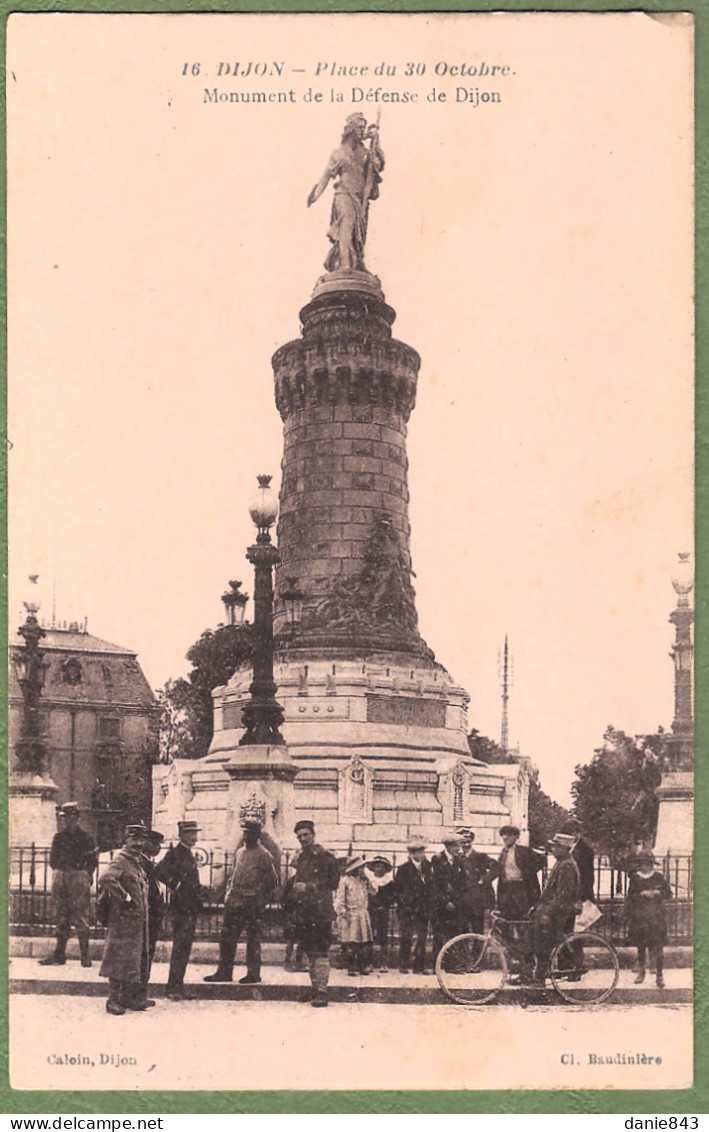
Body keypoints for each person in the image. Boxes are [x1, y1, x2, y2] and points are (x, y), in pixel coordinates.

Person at [307, 113, 384, 273]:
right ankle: (345, 265)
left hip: (360, 199)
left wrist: (377, 142)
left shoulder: (366, 154)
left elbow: (380, 164)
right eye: (359, 127)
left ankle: (355, 263)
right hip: (343, 195)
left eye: (364, 128)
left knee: (358, 237)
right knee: (346, 228)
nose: (362, 131)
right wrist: (315, 194)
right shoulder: (338, 152)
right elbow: (325, 177)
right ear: (350, 129)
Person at [204, 819, 278, 986]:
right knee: (227, 939)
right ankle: (224, 972)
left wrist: (260, 901)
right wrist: (228, 896)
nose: (246, 836)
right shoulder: (240, 852)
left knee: (253, 940)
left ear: (257, 835)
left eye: (250, 833)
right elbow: (233, 877)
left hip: (252, 904)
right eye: (245, 832)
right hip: (234, 902)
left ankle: (253, 973)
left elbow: (272, 882)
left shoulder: (264, 855)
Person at [98, 824, 152, 1015]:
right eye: (134, 839)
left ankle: (128, 998)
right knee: (118, 958)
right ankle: (112, 1000)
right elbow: (106, 879)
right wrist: (126, 897)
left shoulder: (136, 861)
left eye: (141, 839)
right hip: (123, 921)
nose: (138, 843)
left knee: (133, 960)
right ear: (126, 840)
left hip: (137, 922)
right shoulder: (121, 860)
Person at [39, 802, 98, 968]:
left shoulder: (86, 838)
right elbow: (52, 860)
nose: (66, 821)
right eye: (64, 818)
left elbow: (92, 862)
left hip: (78, 877)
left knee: (80, 916)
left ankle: (85, 955)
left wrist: (85, 875)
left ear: (77, 817)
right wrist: (60, 874)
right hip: (61, 875)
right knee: (61, 916)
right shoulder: (59, 837)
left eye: (69, 817)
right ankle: (59, 953)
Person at [289, 819, 340, 1007]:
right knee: (310, 953)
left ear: (313, 834)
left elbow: (333, 882)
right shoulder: (301, 858)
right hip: (305, 912)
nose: (303, 839)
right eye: (299, 836)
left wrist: (309, 887)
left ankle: (323, 992)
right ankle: (314, 988)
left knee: (320, 952)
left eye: (306, 835)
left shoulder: (325, 857)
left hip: (320, 912)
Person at [154, 819, 204, 1001]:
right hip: (181, 908)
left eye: (195, 833)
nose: (194, 836)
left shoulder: (187, 853)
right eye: (191, 833)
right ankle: (172, 988)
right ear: (182, 835)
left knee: (184, 949)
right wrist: (177, 884)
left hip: (189, 907)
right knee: (180, 948)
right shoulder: (176, 853)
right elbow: (158, 871)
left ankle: (178, 986)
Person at [532, 833, 581, 985]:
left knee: (543, 940)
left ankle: (540, 976)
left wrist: (547, 912)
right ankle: (540, 971)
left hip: (559, 912)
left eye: (555, 846)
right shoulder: (561, 862)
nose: (552, 849)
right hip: (555, 909)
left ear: (564, 848)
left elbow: (562, 896)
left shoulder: (567, 865)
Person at [626, 850, 673, 989]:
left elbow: (668, 894)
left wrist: (658, 893)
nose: (644, 866)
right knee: (641, 946)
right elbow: (630, 897)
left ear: (652, 864)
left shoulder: (658, 877)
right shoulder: (635, 878)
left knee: (658, 947)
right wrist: (641, 894)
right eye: (642, 863)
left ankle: (659, 975)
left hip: (656, 917)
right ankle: (641, 971)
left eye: (647, 864)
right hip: (641, 917)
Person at [392, 837, 433, 974]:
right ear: (412, 854)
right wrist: (406, 904)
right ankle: (403, 964)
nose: (422, 854)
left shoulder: (428, 868)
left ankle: (419, 966)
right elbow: (397, 890)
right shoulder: (403, 869)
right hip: (407, 910)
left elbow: (431, 887)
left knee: (422, 938)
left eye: (422, 851)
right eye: (418, 852)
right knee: (406, 937)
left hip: (422, 909)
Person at [489, 825, 545, 921]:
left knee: (523, 917)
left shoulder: (524, 851)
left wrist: (528, 873)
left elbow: (542, 861)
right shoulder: (503, 852)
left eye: (509, 835)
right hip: (507, 890)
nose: (505, 838)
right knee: (507, 917)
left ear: (516, 837)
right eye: (503, 835)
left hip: (522, 889)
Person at [137, 828, 165, 1008]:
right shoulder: (143, 864)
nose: (158, 848)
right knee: (143, 956)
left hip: (152, 918)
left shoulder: (149, 863)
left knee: (147, 955)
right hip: (146, 918)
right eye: (156, 844)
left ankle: (141, 994)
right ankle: (138, 995)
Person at [430, 833, 467, 964]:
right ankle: (437, 964)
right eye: (456, 846)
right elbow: (435, 884)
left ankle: (452, 964)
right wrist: (446, 901)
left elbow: (462, 884)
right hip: (441, 905)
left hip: (455, 905)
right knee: (439, 935)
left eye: (460, 845)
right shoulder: (437, 859)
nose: (459, 849)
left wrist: (455, 902)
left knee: (454, 935)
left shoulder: (460, 861)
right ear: (449, 846)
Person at [335, 857, 375, 976]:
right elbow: (340, 899)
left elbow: (373, 892)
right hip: (351, 915)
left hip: (362, 914)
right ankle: (351, 966)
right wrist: (342, 912)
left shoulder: (363, 881)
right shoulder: (345, 881)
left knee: (363, 942)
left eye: (362, 868)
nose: (362, 870)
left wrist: (368, 881)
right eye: (360, 868)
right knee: (352, 942)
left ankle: (362, 965)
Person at [457, 827, 496, 936]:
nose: (465, 845)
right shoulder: (457, 859)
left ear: (472, 841)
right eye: (463, 842)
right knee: (461, 932)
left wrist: (484, 880)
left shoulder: (480, 857)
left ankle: (477, 953)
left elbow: (496, 867)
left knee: (477, 930)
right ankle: (463, 953)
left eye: (468, 842)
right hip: (461, 902)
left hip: (477, 901)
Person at [365, 855, 394, 971]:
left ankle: (383, 963)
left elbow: (392, 897)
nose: (379, 869)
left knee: (383, 937)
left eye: (382, 866)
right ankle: (368, 963)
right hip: (370, 911)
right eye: (377, 866)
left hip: (383, 912)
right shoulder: (369, 881)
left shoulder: (389, 882)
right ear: (374, 868)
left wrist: (384, 905)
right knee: (369, 937)